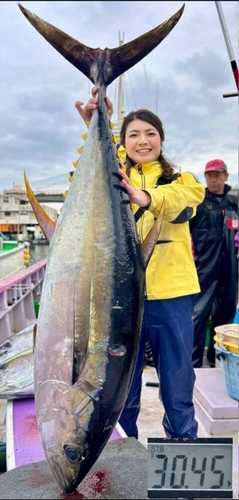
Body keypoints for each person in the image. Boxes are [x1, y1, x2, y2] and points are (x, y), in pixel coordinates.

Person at [75, 87, 205, 439]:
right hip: (120, 300)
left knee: (178, 384)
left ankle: (183, 456)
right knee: (120, 388)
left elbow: (183, 199)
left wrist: (144, 196)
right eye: (133, 134)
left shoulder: (183, 182)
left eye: (151, 133)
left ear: (162, 140)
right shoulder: (113, 176)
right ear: (124, 142)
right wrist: (96, 126)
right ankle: (122, 454)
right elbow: (96, 169)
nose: (143, 140)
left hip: (172, 296)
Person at [190, 159, 238, 368]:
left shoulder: (234, 202)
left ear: (226, 176)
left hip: (231, 270)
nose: (213, 179)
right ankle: (193, 364)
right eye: (209, 175)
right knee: (198, 316)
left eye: (217, 174)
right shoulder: (198, 202)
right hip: (203, 268)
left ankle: (218, 362)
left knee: (225, 315)